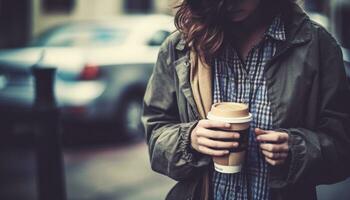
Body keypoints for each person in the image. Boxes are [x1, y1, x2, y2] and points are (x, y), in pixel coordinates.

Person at [142, 0, 350, 199]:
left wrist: (298, 150)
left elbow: (343, 147)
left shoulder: (317, 45)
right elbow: (156, 135)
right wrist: (189, 140)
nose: (230, 3)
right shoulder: (180, 47)